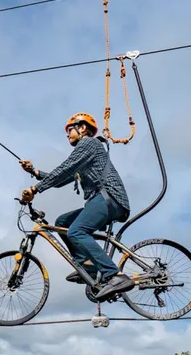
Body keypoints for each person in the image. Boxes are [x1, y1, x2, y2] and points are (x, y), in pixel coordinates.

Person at [18, 112, 135, 300]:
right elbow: (61, 178)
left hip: (110, 198)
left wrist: (35, 189)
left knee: (76, 232)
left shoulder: (88, 144)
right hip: (102, 200)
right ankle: (88, 266)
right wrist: (34, 171)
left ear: (82, 128)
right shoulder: (84, 155)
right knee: (62, 222)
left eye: (69, 129)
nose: (67, 134)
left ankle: (115, 275)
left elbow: (65, 168)